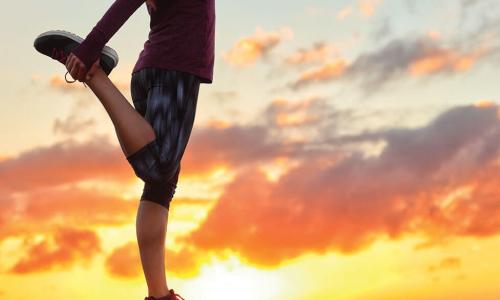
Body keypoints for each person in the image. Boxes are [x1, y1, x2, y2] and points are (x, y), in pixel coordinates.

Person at [33, 0, 215, 299]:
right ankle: (94, 74)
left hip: (154, 69)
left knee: (159, 186)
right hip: (174, 68)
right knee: (157, 168)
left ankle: (158, 294)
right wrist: (89, 48)